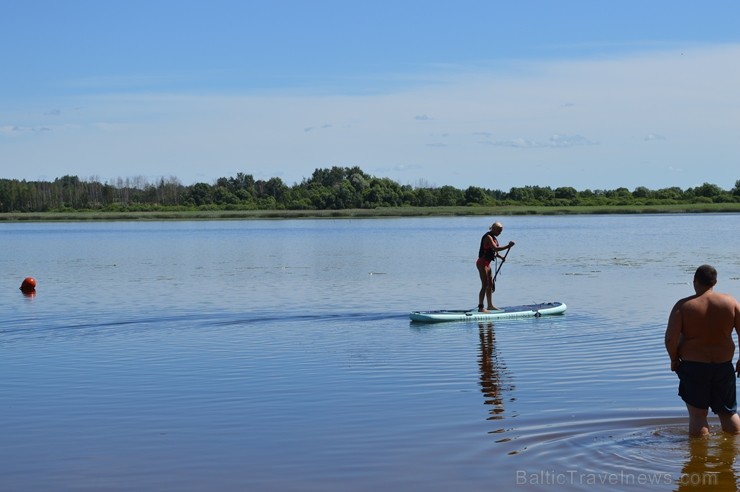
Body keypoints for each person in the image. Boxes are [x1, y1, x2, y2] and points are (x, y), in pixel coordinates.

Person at [664, 264, 740, 437]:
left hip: (694, 367)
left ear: (695, 281)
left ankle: (698, 458)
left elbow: (670, 338)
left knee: (698, 415)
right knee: (728, 413)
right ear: (715, 282)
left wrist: (674, 359)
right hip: (723, 365)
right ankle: (733, 452)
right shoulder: (731, 302)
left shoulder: (684, 306)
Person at [476, 222, 515, 312]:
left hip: (487, 264)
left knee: (490, 284)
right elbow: (495, 248)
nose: (500, 233)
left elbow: (493, 252)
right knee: (484, 285)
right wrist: (508, 246)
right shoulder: (488, 237)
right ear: (493, 229)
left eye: (501, 231)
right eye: (499, 231)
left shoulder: (493, 238)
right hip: (482, 263)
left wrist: (501, 257)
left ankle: (490, 305)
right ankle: (481, 307)